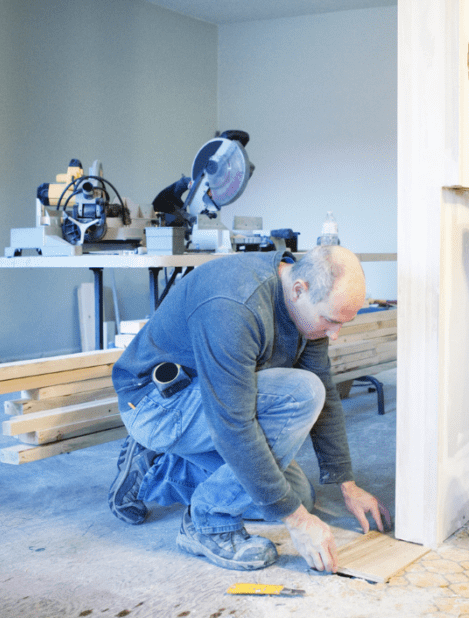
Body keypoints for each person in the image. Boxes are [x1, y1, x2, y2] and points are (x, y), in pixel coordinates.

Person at [108, 245, 391, 572]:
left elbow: (326, 393)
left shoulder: (305, 308)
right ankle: (207, 522)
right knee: (301, 395)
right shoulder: (234, 304)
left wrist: (347, 484)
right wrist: (298, 522)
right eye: (330, 321)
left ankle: (159, 467)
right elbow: (233, 425)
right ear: (300, 290)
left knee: (296, 493)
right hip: (156, 405)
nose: (335, 335)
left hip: (210, 401)